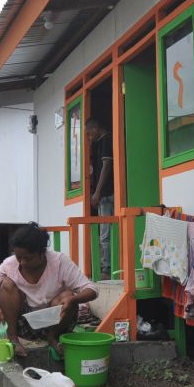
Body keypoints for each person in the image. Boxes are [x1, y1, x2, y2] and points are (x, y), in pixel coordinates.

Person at [0, 223, 98, 358]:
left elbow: (91, 289)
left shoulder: (59, 261)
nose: (22, 262)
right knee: (7, 284)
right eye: (18, 257)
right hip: (23, 324)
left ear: (42, 252)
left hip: (56, 321)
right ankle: (13, 339)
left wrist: (74, 299)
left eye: (28, 258)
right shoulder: (10, 264)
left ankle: (53, 338)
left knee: (68, 295)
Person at [86, 116, 114, 279]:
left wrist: (97, 192)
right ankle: (107, 267)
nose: (89, 137)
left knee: (105, 232)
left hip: (106, 193)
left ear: (96, 128)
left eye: (89, 134)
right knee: (106, 231)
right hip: (105, 193)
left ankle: (106, 269)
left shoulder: (106, 141)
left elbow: (106, 166)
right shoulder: (99, 143)